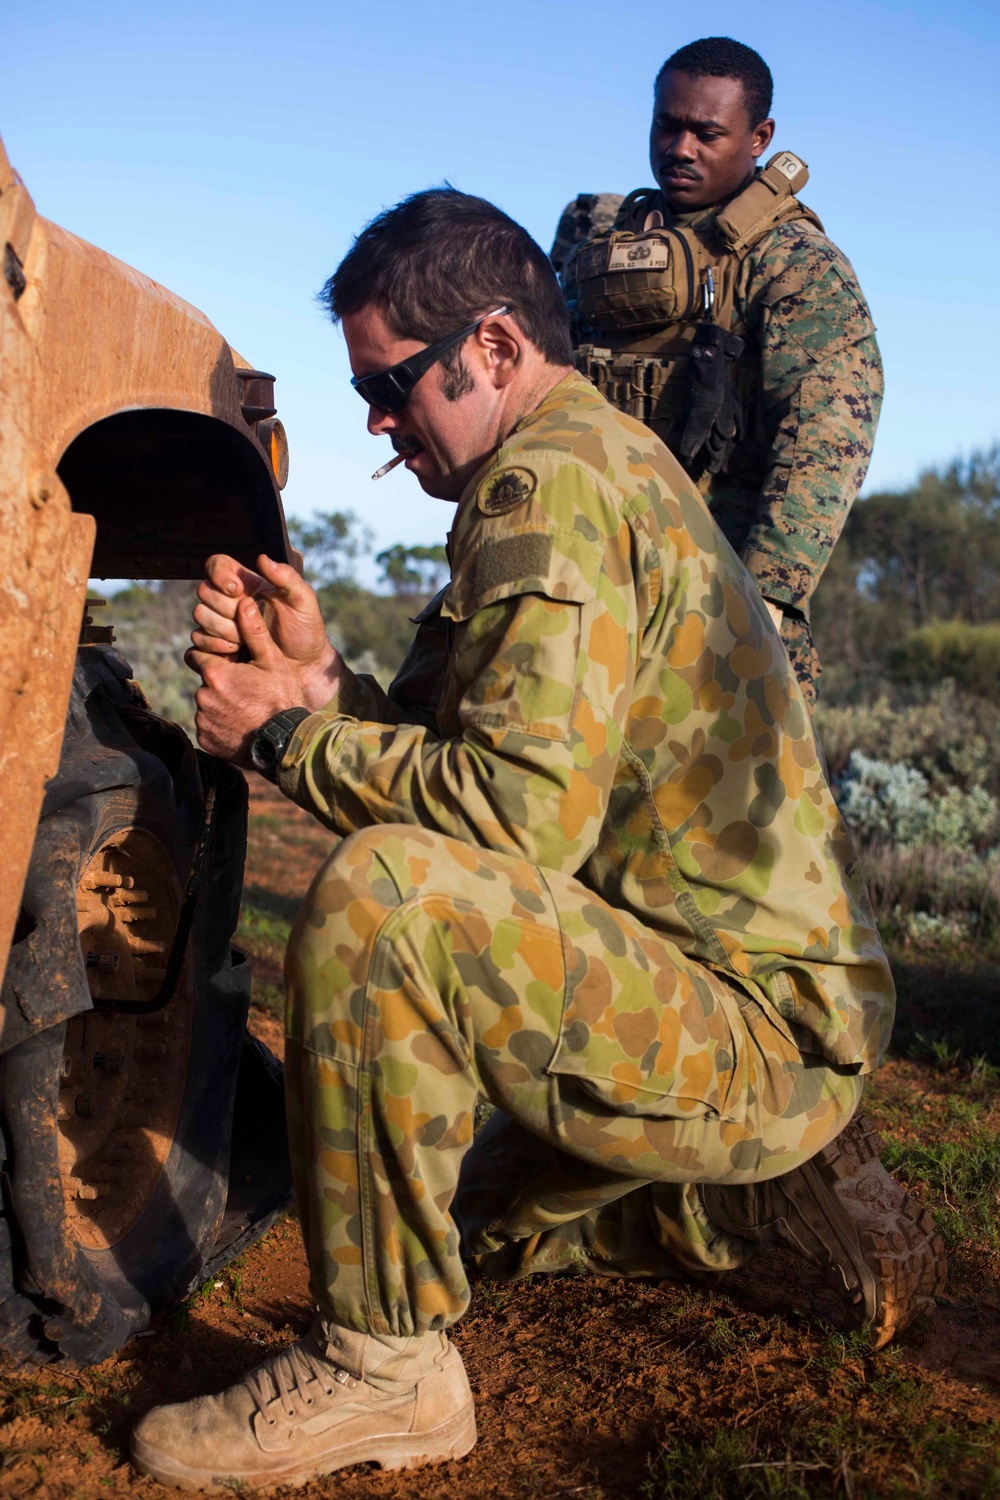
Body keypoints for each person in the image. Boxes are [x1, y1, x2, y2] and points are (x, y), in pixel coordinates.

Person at [130, 189, 941, 1493]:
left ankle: (388, 1378)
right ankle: (743, 1205)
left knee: (386, 899)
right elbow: (479, 755)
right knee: (445, 1221)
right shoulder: (574, 462)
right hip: (721, 988)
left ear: (496, 348)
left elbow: (510, 821)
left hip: (746, 1021)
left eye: (394, 386)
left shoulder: (548, 487)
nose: (379, 426)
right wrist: (322, 682)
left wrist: (283, 739)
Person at [555, 37, 883, 704]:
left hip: (713, 588)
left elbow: (822, 449)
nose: (681, 149)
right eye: (667, 126)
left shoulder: (796, 264)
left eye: (707, 133)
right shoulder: (596, 238)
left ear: (760, 136)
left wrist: (758, 608)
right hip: (580, 577)